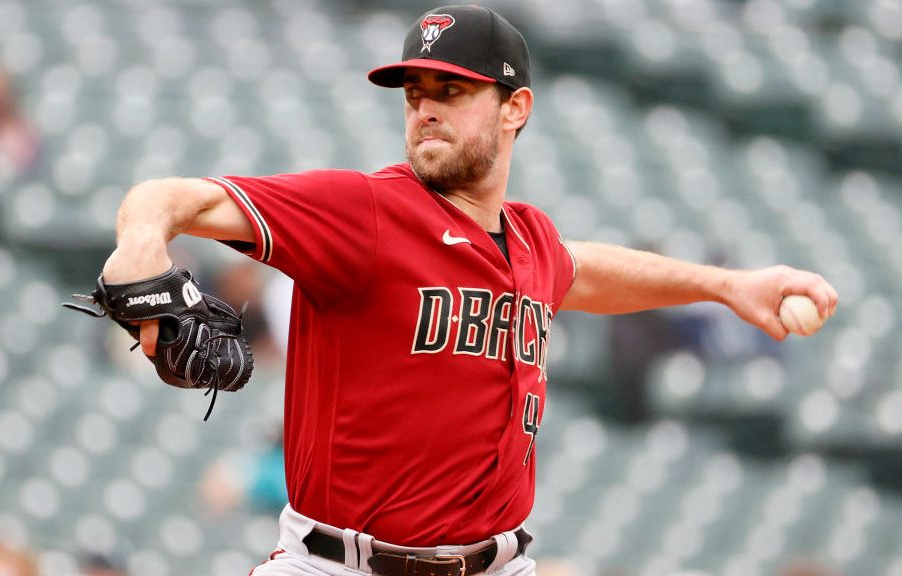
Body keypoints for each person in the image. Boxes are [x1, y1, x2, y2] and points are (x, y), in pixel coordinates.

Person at [98, 5, 838, 575]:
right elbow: (171, 197)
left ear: (516, 107)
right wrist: (139, 249)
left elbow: (586, 272)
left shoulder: (531, 239)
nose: (425, 107)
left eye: (451, 90)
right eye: (415, 91)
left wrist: (729, 285)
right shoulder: (365, 213)